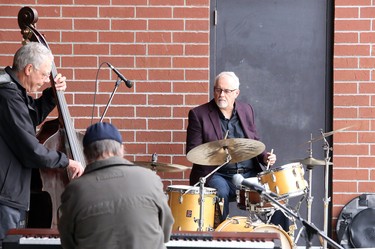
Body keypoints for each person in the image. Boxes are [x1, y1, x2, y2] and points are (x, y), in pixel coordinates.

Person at [0, 42, 84, 240]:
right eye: (45, 75)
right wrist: (67, 161)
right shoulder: (8, 96)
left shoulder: (14, 91)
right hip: (4, 198)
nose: (47, 80)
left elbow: (30, 117)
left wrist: (51, 95)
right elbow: (32, 151)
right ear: (29, 69)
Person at [186, 71, 289, 230]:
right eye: (218, 89)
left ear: (236, 93)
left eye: (226, 91)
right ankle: (219, 239)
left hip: (247, 174)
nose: (221, 94)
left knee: (275, 192)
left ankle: (280, 238)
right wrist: (217, 152)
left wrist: (264, 157)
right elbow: (193, 151)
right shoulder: (199, 114)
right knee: (218, 192)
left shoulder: (246, 110)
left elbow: (253, 141)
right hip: (217, 174)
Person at [58, 122, 174, 249]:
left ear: (85, 153)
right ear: (121, 149)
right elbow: (166, 230)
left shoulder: (75, 190)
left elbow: (68, 243)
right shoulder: (151, 179)